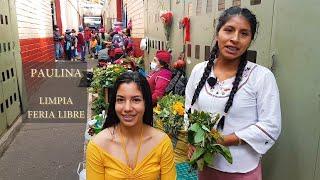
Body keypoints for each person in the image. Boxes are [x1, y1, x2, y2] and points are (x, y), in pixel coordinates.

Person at [185, 7, 281, 180]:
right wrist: (191, 141)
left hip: (241, 170)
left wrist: (224, 140)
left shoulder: (261, 77)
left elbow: (270, 125)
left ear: (250, 40)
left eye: (244, 33)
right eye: (229, 30)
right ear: (217, 33)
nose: (235, 39)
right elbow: (189, 110)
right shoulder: (200, 71)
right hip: (205, 165)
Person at [86, 72, 177, 180]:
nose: (127, 108)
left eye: (136, 100)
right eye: (120, 100)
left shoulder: (162, 143)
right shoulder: (98, 145)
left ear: (146, 103)